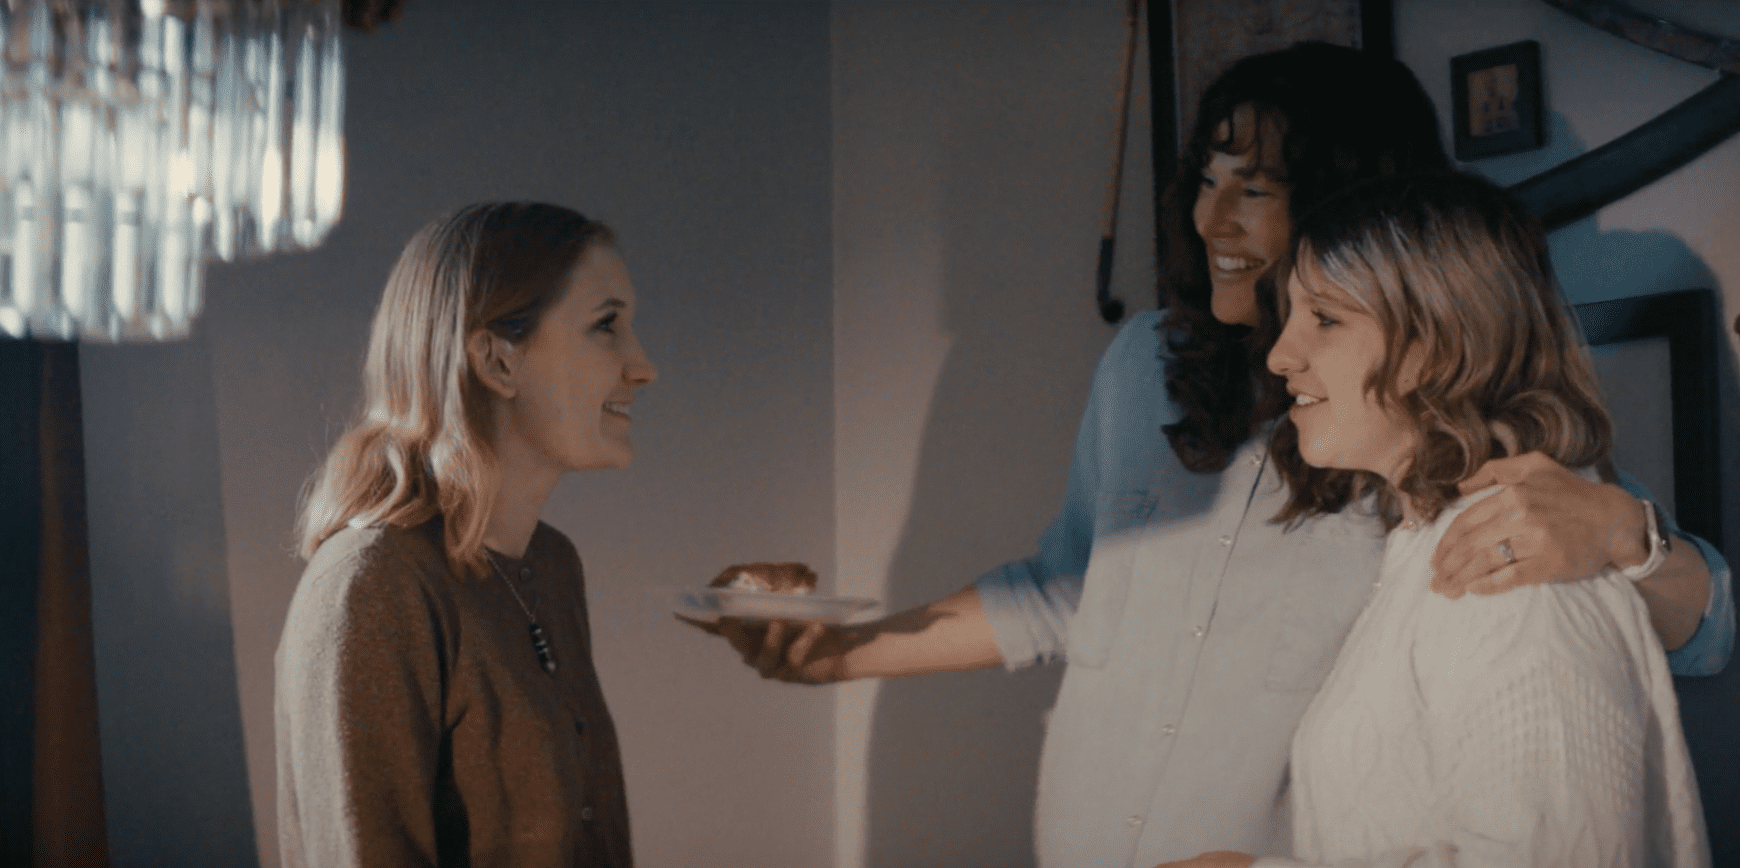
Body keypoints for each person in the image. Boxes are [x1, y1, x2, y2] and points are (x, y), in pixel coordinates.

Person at [695, 43, 1733, 866]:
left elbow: (1690, 634)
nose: (1211, 218)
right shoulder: (1142, 365)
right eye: (1207, 177)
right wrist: (834, 652)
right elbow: (1069, 591)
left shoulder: (1445, 448)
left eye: (1259, 188)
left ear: (1356, 210)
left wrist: (1630, 538)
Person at [1163, 171, 1708, 868]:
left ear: (1441, 344)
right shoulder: (1427, 541)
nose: (1279, 356)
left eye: (1324, 319)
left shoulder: (1514, 574)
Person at [276, 202, 657, 867]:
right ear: (497, 362)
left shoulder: (552, 565)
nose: (642, 365)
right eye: (606, 325)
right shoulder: (371, 586)